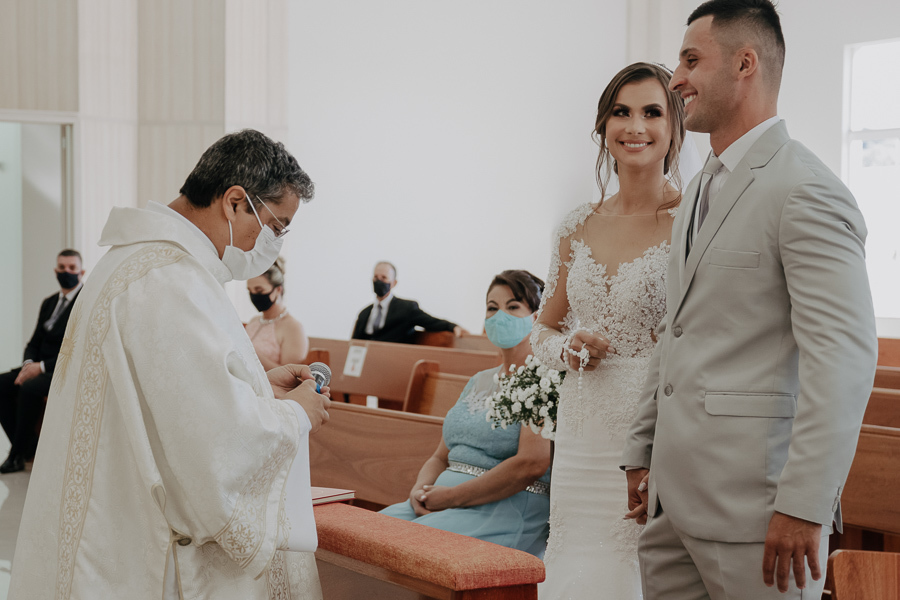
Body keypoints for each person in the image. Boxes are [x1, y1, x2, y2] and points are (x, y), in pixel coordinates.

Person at [621, 1, 878, 598]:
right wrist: (642, 444)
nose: (676, 79)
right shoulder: (698, 187)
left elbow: (842, 359)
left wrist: (805, 503)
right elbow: (678, 329)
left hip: (757, 515)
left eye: (691, 60)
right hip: (670, 507)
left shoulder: (805, 189)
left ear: (744, 64)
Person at [9, 130, 331, 599]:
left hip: (105, 531)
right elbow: (212, 450)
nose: (274, 243)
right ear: (235, 202)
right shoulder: (172, 280)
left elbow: (162, 396)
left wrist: (257, 387)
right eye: (276, 226)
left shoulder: (134, 260)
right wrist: (297, 413)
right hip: (140, 553)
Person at [531, 62, 691, 598]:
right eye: (621, 112)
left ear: (675, 126)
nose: (635, 126)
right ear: (603, 126)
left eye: (652, 112)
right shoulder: (576, 225)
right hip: (581, 432)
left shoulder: (692, 221)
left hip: (653, 426)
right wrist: (567, 348)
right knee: (575, 565)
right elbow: (542, 329)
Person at [380, 270, 551, 557]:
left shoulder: (542, 380)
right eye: (492, 308)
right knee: (364, 535)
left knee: (399, 550)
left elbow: (530, 464)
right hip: (444, 503)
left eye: (512, 307)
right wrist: (421, 490)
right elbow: (440, 456)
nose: (500, 316)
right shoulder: (479, 380)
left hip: (501, 509)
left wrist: (450, 497)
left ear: (536, 317)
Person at [0, 249, 84, 474]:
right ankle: (28, 448)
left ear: (82, 272)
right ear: (55, 270)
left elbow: (78, 350)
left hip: (62, 369)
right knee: (2, 383)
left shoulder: (85, 304)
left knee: (29, 387)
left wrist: (42, 367)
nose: (66, 272)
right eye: (62, 267)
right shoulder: (49, 302)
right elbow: (34, 342)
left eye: (72, 268)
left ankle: (16, 455)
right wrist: (28, 364)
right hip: (37, 366)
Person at [351, 261, 466, 344]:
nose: (379, 281)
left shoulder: (406, 309)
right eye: (376, 277)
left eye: (384, 278)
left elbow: (431, 322)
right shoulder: (364, 313)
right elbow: (354, 343)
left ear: (394, 283)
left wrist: (452, 327)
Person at [246, 256, 310, 369]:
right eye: (250, 291)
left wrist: (252, 355)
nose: (254, 296)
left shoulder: (293, 328)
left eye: (259, 290)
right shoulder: (253, 321)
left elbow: (291, 374)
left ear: (278, 290)